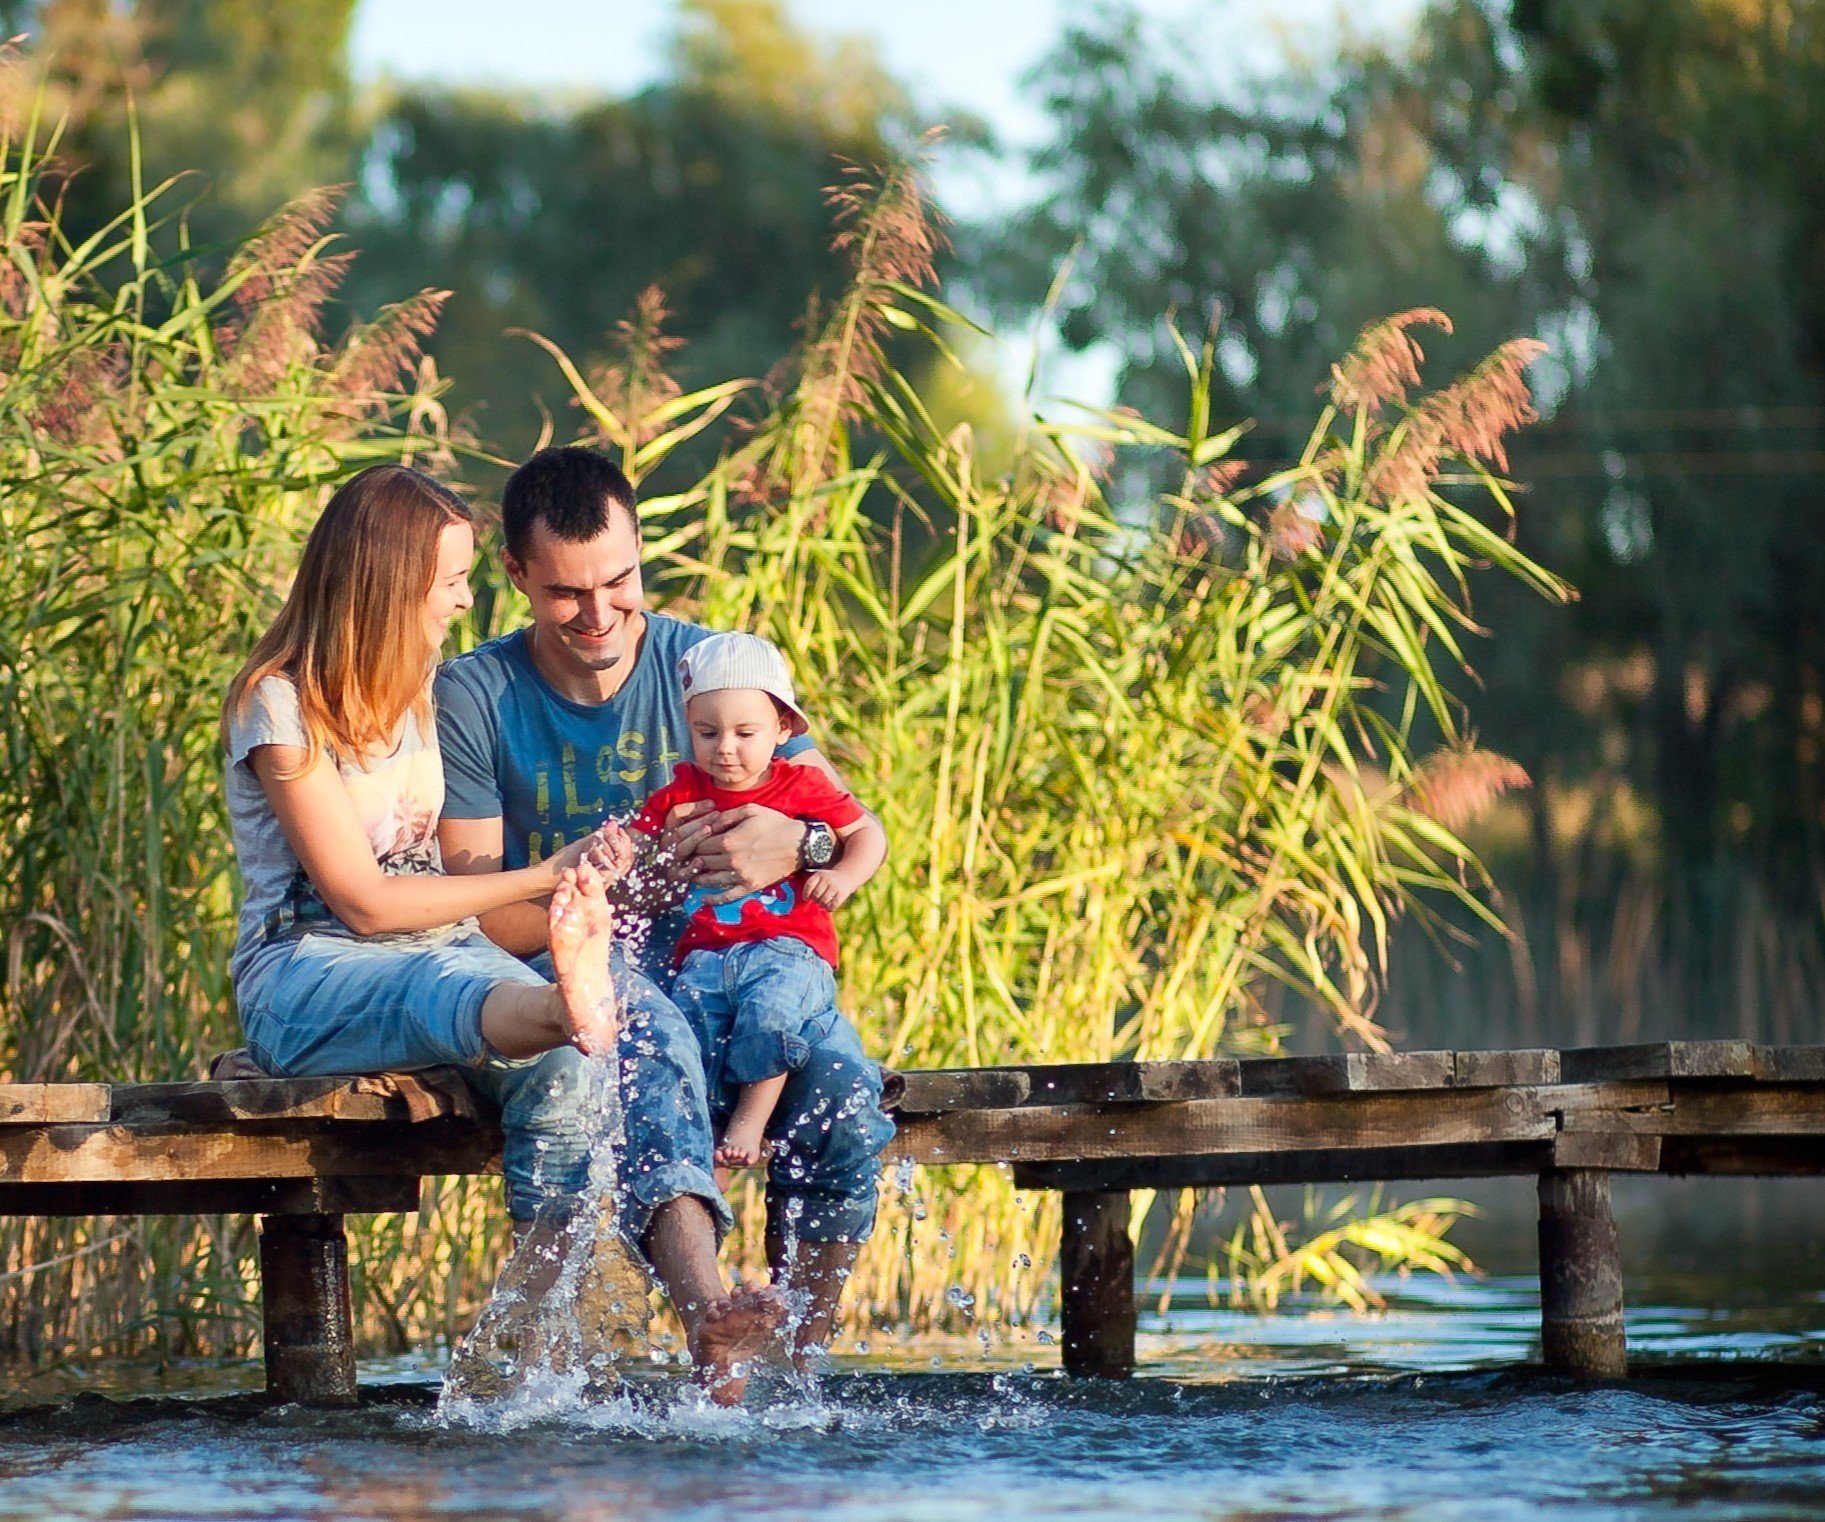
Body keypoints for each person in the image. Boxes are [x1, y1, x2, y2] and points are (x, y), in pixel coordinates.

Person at [435, 445, 895, 1383]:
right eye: (565, 594)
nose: (600, 616)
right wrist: (612, 899)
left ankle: (795, 1371)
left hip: (737, 966)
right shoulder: (475, 696)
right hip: (580, 980)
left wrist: (794, 848)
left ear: (642, 549)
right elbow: (482, 920)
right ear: (515, 575)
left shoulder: (715, 666)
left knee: (847, 1085)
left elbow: (843, 826)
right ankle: (712, 1330)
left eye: (620, 580)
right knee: (647, 1039)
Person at [221, 463, 623, 1252]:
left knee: (570, 1069)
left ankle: (545, 1323)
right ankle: (558, 1005)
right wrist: (545, 876)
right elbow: (362, 901)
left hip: (438, 951)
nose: (467, 598)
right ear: (388, 586)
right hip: (306, 973)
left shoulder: (421, 687)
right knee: (442, 986)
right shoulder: (278, 705)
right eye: (453, 579)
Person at [625, 632, 887, 1189]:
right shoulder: (683, 790)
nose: (726, 748)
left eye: (746, 734)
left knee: (771, 1013)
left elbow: (866, 832)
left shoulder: (801, 786)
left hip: (788, 945)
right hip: (707, 951)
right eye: (707, 732)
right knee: (690, 1029)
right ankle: (706, 1164)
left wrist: (842, 873)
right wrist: (632, 859)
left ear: (783, 730)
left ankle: (749, 1123)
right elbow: (636, 844)